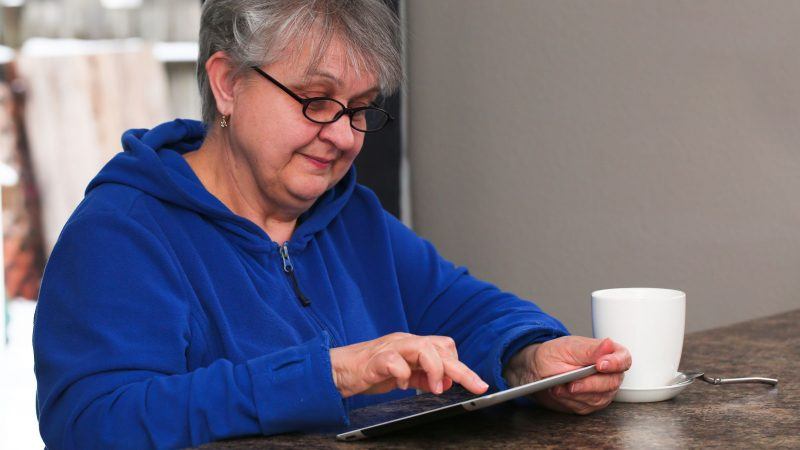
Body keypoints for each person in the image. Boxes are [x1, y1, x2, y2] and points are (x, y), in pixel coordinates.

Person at [33, 1, 631, 449]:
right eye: (316, 100)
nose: (345, 135)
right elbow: (92, 421)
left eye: (361, 108)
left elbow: (469, 311)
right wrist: (332, 373)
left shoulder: (351, 216)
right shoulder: (123, 232)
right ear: (227, 83)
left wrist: (532, 358)